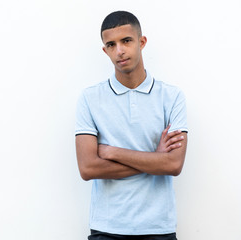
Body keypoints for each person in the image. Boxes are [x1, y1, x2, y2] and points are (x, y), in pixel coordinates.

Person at [75, 11, 188, 240]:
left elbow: (174, 164)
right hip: (107, 228)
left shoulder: (172, 97)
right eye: (111, 44)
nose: (120, 51)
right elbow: (88, 169)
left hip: (158, 228)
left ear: (141, 42)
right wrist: (155, 160)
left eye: (126, 41)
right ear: (105, 50)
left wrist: (112, 152)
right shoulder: (90, 98)